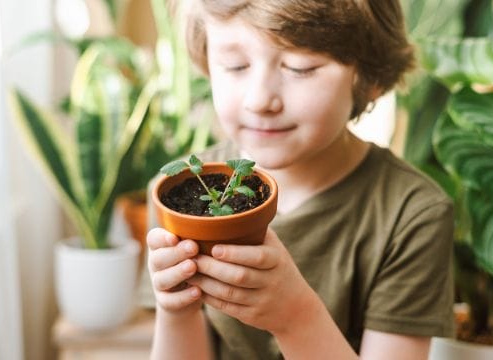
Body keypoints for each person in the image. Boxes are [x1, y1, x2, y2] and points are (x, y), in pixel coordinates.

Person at [144, 0, 455, 359]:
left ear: (369, 78)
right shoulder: (177, 195)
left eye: (300, 67)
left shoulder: (412, 214)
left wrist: (294, 316)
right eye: (236, 65)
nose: (260, 99)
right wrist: (176, 309)